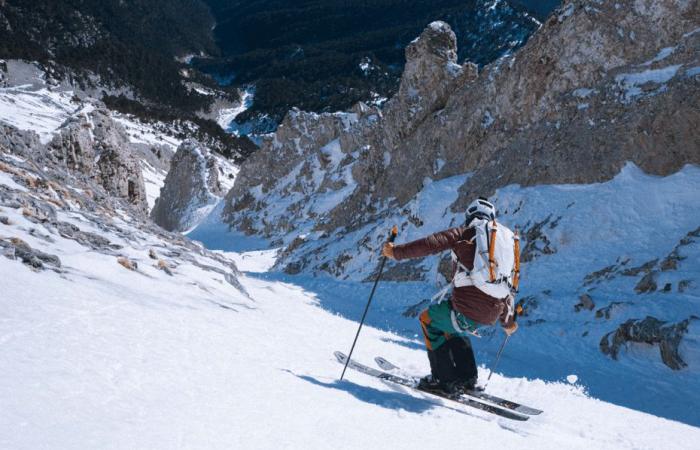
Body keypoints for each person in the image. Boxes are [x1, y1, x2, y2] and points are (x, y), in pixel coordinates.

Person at [382, 197, 518, 394]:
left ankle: (443, 380)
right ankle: (467, 378)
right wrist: (508, 322)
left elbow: (429, 244)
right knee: (454, 325)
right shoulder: (501, 248)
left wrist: (396, 253)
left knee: (428, 320)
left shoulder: (464, 234)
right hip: (489, 314)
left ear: (469, 216)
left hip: (465, 307)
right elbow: (503, 287)